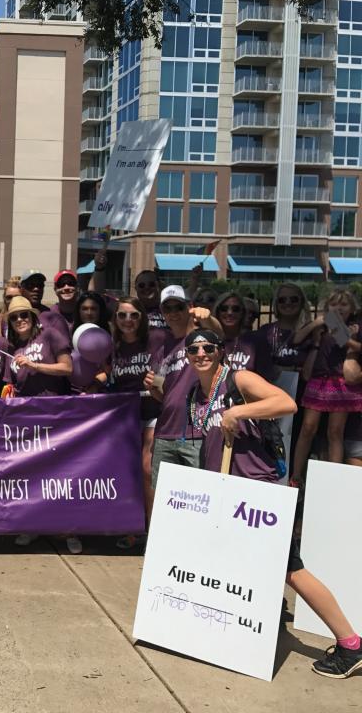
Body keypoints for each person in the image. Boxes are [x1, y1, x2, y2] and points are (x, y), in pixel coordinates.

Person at [185, 328, 362, 680]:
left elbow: (286, 403)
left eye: (207, 347)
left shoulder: (238, 378)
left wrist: (239, 413)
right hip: (227, 492)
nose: (201, 353)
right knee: (235, 562)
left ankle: (351, 644)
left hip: (257, 491)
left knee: (290, 568)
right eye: (193, 349)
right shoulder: (196, 391)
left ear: (219, 351)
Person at [139, 285, 221, 547]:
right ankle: (164, 549)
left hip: (195, 432)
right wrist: (155, 389)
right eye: (167, 308)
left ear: (189, 306)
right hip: (166, 431)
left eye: (178, 306)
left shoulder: (199, 340)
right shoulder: (162, 346)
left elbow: (218, 335)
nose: (173, 312)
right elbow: (166, 396)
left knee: (198, 498)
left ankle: (196, 549)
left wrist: (207, 318)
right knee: (165, 498)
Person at [2, 294, 72, 546]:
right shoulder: (12, 351)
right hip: (27, 421)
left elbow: (67, 368)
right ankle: (31, 525)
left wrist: (34, 365)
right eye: (15, 318)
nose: (20, 320)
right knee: (31, 476)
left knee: (59, 476)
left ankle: (66, 530)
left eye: (24, 315)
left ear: (32, 317)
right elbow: (12, 387)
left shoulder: (50, 336)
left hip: (54, 416)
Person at [109, 297, 167, 530]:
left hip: (155, 410)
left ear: (143, 317)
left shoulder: (157, 338)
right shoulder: (112, 346)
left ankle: (152, 529)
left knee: (147, 467)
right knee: (126, 470)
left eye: (134, 315)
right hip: (125, 417)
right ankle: (131, 525)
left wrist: (161, 382)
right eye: (122, 315)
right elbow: (104, 374)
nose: (128, 320)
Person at [292, 289, 362, 482]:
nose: (339, 308)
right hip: (319, 380)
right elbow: (297, 339)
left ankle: (334, 479)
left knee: (335, 431)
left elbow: (357, 348)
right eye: (334, 304)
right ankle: (296, 476)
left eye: (344, 304)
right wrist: (318, 322)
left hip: (341, 383)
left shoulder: (355, 326)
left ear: (352, 308)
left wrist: (346, 336)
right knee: (307, 428)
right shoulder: (321, 325)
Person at [212, 291, 275, 380]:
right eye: (224, 308)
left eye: (235, 309)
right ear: (217, 312)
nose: (229, 312)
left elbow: (266, 378)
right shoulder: (210, 341)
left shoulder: (256, 341)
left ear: (243, 313)